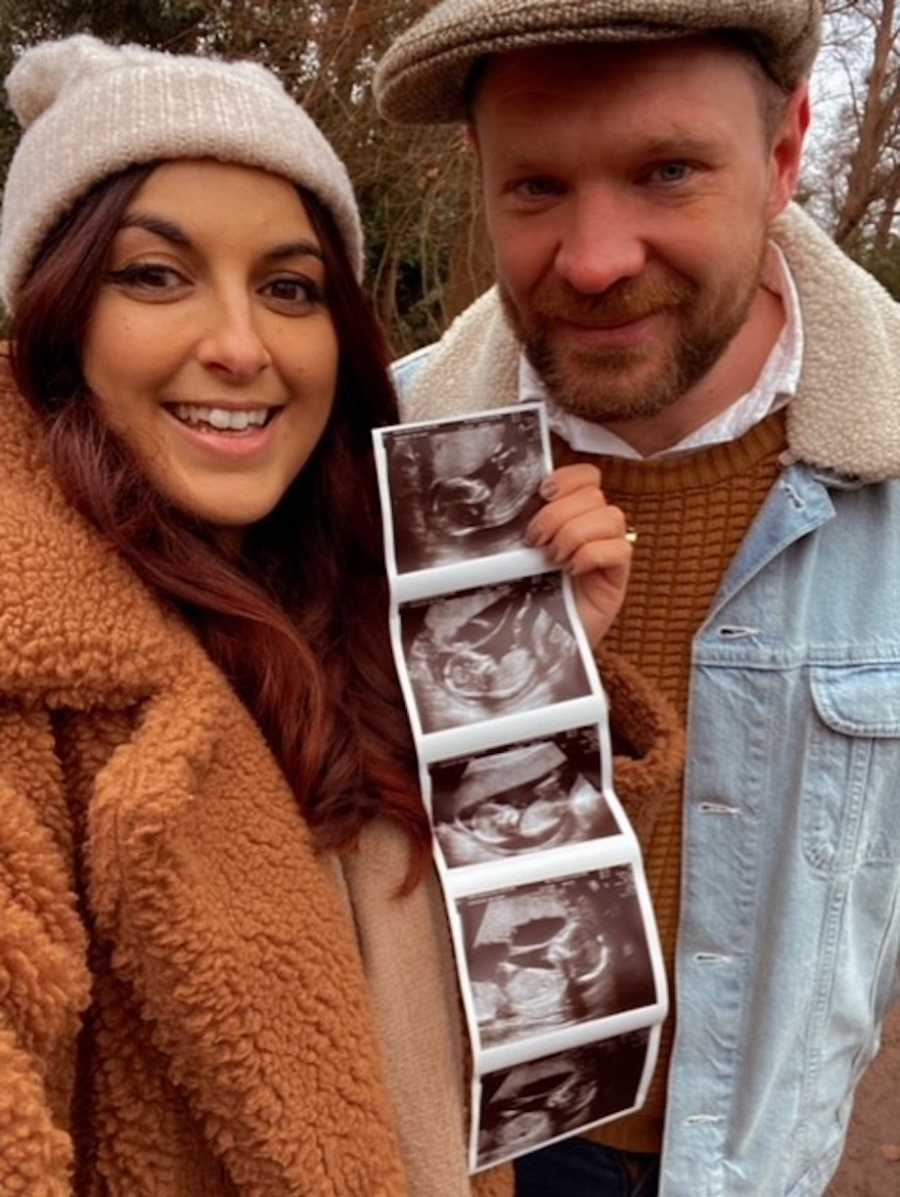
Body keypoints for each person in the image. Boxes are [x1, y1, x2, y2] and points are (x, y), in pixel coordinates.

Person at [0, 32, 666, 1197]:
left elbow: (539, 988)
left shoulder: (353, 589)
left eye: (289, 287)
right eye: (154, 275)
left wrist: (528, 673)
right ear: (57, 313)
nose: (241, 346)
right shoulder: (33, 673)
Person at [374, 1, 900, 1194]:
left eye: (667, 172)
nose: (597, 258)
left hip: (755, 1162)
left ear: (783, 157)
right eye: (538, 188)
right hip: (454, 1151)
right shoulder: (375, 454)